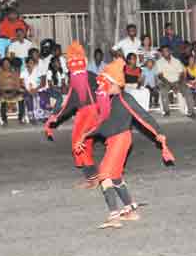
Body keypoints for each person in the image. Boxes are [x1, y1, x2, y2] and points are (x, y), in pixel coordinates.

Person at [73, 59, 174, 228]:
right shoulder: (110, 101)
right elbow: (102, 125)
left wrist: (158, 132)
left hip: (121, 139)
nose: (102, 85)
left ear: (114, 82)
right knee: (116, 176)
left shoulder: (125, 98)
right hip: (115, 141)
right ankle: (130, 211)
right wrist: (84, 136)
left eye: (106, 81)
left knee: (104, 175)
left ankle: (113, 216)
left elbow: (143, 116)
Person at [44, 41, 99, 189]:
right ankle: (93, 177)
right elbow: (71, 102)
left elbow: (71, 103)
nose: (75, 67)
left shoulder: (87, 77)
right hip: (87, 113)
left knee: (79, 144)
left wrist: (56, 117)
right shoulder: (82, 77)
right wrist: (56, 116)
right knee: (83, 144)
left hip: (90, 114)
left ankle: (93, 179)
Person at [156, 45, 196, 118]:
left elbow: (181, 74)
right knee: (163, 91)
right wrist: (170, 84)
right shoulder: (159, 62)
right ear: (161, 53)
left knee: (187, 90)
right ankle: (166, 111)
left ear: (170, 52)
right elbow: (160, 76)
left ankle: (191, 112)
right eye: (163, 51)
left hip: (177, 81)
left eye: (166, 51)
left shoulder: (176, 61)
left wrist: (177, 83)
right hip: (165, 82)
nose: (165, 53)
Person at [0, 57, 24, 125]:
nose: (6, 65)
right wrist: (3, 93)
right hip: (3, 92)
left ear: (10, 64)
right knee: (2, 100)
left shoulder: (15, 73)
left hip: (14, 92)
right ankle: (4, 119)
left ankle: (21, 118)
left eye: (8, 63)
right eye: (4, 63)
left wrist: (13, 92)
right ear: (2, 65)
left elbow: (17, 85)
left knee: (21, 98)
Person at [20, 56, 44, 124]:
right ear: (26, 64)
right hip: (26, 90)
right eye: (29, 63)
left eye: (32, 63)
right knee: (28, 97)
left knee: (40, 97)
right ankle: (31, 117)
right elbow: (21, 84)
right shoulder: (23, 72)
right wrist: (28, 90)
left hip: (37, 89)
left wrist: (35, 89)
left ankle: (39, 116)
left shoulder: (38, 71)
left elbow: (41, 83)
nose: (31, 64)